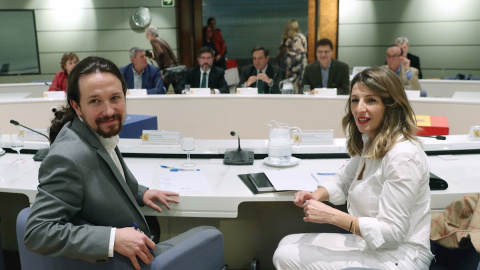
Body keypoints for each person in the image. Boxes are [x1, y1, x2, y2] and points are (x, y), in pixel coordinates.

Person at [24, 56, 217, 270]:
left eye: (115, 98)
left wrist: (139, 192)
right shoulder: (68, 157)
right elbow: (37, 232)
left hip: (134, 244)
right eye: (95, 101)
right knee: (209, 233)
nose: (109, 111)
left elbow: (105, 179)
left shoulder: (97, 132)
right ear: (77, 106)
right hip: (123, 260)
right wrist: (112, 238)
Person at [273, 67, 433, 269]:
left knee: (284, 255)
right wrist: (316, 195)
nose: (359, 108)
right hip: (372, 246)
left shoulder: (403, 156)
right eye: (355, 100)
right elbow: (343, 180)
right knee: (287, 242)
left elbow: (392, 233)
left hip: (400, 258)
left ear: (390, 106)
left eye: (371, 100)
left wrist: (332, 216)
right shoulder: (372, 141)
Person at [145, 25, 182, 91]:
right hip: (174, 68)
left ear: (150, 34)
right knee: (178, 90)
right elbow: (166, 54)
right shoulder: (161, 40)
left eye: (146, 35)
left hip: (167, 69)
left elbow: (160, 52)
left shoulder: (153, 41)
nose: (147, 38)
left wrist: (161, 68)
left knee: (161, 90)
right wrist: (154, 56)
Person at [277, 19, 308, 94]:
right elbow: (305, 50)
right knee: (300, 82)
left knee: (289, 82)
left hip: (289, 62)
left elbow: (281, 51)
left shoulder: (285, 39)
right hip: (301, 61)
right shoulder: (302, 37)